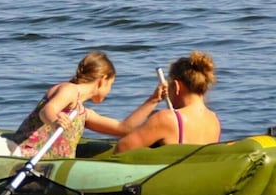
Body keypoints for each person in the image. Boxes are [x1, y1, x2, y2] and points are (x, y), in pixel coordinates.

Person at [12, 51, 164, 159]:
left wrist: (153, 100)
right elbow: (47, 111)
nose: (110, 91)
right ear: (102, 80)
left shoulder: (83, 113)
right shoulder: (70, 90)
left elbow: (123, 128)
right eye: (111, 84)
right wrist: (55, 121)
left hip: (51, 165)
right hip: (26, 156)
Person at [115, 51, 221, 153]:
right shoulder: (214, 121)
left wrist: (150, 123)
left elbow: (122, 148)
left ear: (176, 86)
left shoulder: (167, 119)